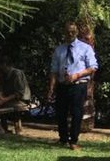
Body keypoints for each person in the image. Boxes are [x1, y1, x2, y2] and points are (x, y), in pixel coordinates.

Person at [47, 20, 98, 151]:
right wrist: (52, 87)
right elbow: (53, 70)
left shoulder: (85, 48)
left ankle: (73, 141)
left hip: (78, 85)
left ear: (76, 32)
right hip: (62, 85)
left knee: (76, 113)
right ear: (64, 32)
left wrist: (77, 75)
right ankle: (63, 139)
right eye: (67, 31)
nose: (70, 34)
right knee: (61, 113)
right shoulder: (59, 49)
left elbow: (93, 67)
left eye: (73, 31)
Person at [0, 56, 30, 133]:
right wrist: (0, 97)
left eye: (0, 65)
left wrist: (4, 100)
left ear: (5, 65)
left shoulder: (17, 74)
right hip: (9, 99)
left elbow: (19, 93)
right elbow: (0, 89)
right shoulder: (3, 74)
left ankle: (5, 128)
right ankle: (2, 127)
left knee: (2, 105)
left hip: (21, 99)